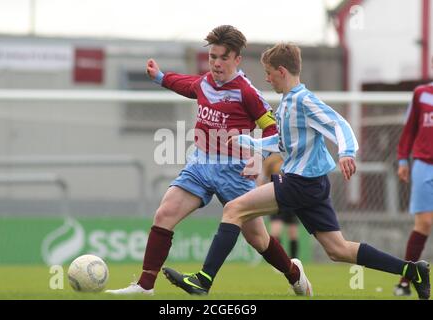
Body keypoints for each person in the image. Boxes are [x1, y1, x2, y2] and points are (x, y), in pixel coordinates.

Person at [162, 43, 431, 300]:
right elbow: (283, 144)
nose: (267, 79)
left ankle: (203, 280)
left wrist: (347, 152)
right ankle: (411, 270)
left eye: (268, 73)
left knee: (234, 209)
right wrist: (250, 142)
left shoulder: (302, 101)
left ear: (281, 71)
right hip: (312, 184)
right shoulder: (288, 103)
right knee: (338, 250)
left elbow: (339, 124)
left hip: (298, 182)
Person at [106, 26, 310, 296]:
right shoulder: (204, 83)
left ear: (237, 59)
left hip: (235, 172)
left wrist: (259, 157)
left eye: (223, 57)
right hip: (200, 165)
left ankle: (294, 275)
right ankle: (145, 286)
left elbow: (272, 127)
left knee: (258, 239)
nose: (216, 63)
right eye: (212, 57)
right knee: (164, 214)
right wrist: (160, 77)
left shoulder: (246, 92)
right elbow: (187, 85)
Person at [393, 60, 433, 297]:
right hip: (424, 165)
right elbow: (409, 129)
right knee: (424, 223)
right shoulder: (421, 94)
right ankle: (405, 281)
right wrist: (401, 160)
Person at [259, 153, 299, 259]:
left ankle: (294, 261)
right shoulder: (271, 160)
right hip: (276, 200)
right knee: (276, 230)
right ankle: (279, 260)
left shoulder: (291, 157)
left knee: (293, 232)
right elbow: (264, 178)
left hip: (291, 200)